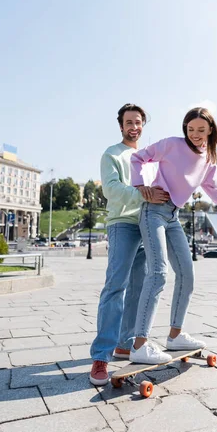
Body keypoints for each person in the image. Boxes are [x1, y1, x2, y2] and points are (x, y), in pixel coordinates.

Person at [128, 106, 217, 365]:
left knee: (187, 275)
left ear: (211, 130)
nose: (194, 134)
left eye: (201, 130)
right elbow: (137, 158)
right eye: (190, 129)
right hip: (153, 212)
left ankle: (175, 335)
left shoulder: (208, 161)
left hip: (173, 217)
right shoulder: (171, 144)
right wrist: (141, 187)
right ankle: (139, 344)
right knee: (158, 273)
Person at [89, 104, 170, 385]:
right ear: (121, 125)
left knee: (139, 288)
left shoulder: (150, 158)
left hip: (148, 225)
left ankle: (126, 343)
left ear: (143, 125)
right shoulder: (112, 154)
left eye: (138, 122)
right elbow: (111, 189)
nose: (133, 126)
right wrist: (143, 194)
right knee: (115, 287)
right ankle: (101, 356)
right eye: (128, 122)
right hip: (123, 224)